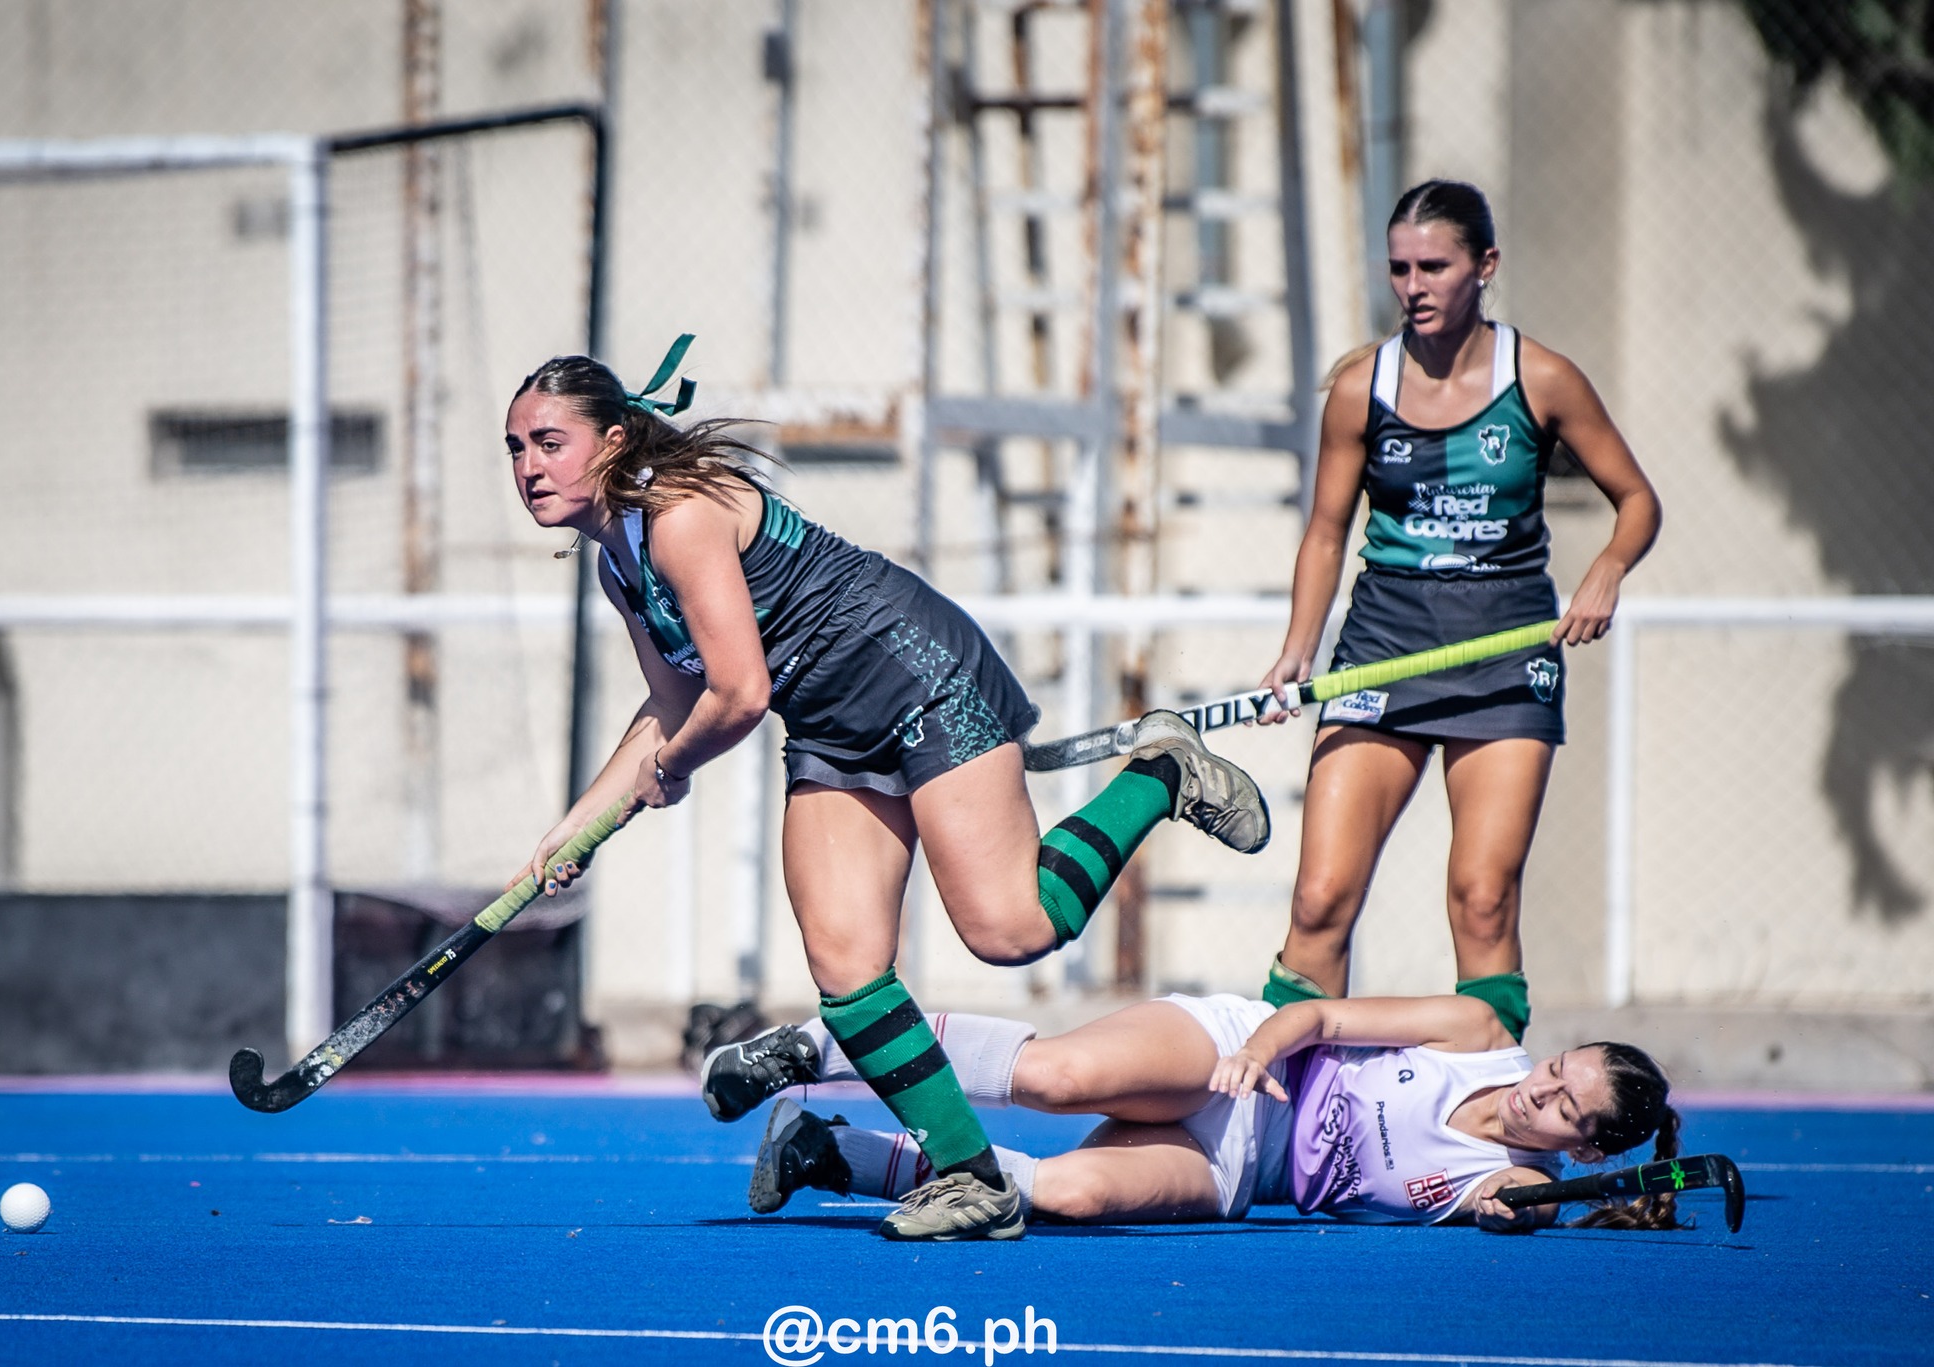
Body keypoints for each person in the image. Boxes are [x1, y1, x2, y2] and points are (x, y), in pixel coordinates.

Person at [506, 335, 1273, 1242]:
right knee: (845, 963)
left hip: (916, 673)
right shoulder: (617, 561)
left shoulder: (678, 514)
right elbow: (670, 703)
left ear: (614, 438)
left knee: (1012, 927)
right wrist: (576, 829)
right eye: (515, 448)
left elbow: (739, 694)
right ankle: (971, 1179)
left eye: (548, 442)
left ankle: (1159, 774)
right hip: (832, 724)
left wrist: (669, 771)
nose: (528, 467)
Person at [1253, 180, 1663, 1041]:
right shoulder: (1362, 388)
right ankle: (1282, 1102)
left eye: (1434, 265)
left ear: (1485, 266)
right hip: (1382, 650)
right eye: (1400, 268)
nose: (1415, 285)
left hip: (1505, 660)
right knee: (1321, 895)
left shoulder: (1543, 378)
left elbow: (1636, 500)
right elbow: (1327, 532)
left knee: (1482, 895)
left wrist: (1607, 570)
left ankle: (1488, 1108)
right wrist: (1300, 647)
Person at [724, 991, 1683, 1233]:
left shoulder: (1515, 1180)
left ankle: (832, 1152)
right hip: (1235, 1053)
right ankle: (823, 1044)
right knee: (1054, 1077)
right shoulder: (1479, 1029)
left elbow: (1514, 1207)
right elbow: (1326, 1013)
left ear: (1585, 1145)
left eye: (1563, 1109)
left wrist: (1562, 1202)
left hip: (1242, 1173)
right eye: (1556, 1067)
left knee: (1066, 1195)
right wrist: (1257, 1052)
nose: (1537, 1091)